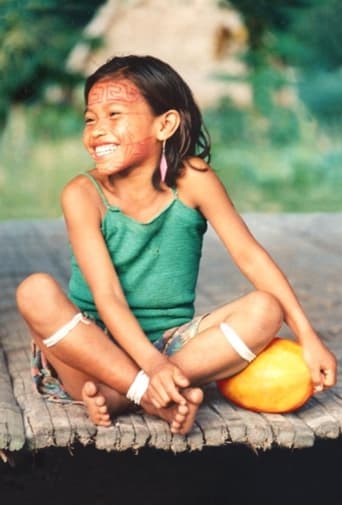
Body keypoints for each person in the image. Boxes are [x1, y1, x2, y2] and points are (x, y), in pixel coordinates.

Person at [16, 55, 336, 435]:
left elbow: (249, 255)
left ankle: (132, 394)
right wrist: (149, 367)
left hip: (174, 349)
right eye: (90, 119)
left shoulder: (194, 179)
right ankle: (146, 389)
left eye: (114, 114)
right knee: (35, 292)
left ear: (165, 124)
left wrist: (307, 335)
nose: (97, 130)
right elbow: (108, 296)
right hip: (93, 350)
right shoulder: (82, 194)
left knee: (266, 309)